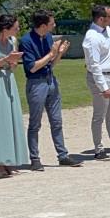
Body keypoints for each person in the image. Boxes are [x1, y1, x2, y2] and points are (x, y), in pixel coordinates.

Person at [20, 10, 80, 170]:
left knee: (57, 121)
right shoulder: (26, 41)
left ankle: (62, 155)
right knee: (35, 123)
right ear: (43, 25)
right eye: (52, 22)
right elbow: (32, 67)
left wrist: (58, 54)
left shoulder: (47, 37)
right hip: (36, 83)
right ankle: (35, 158)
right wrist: (52, 53)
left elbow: (50, 64)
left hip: (50, 80)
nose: (54, 25)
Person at [0, 14, 29, 178]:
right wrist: (5, 60)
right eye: (15, 27)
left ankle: (10, 160)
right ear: (6, 27)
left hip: (9, 79)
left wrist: (13, 62)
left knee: (12, 119)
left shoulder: (12, 41)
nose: (18, 29)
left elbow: (13, 66)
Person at [83, 4, 110, 159]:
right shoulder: (92, 37)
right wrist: (103, 86)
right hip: (100, 77)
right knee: (99, 114)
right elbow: (93, 64)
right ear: (101, 19)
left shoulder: (106, 31)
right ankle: (98, 148)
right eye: (109, 17)